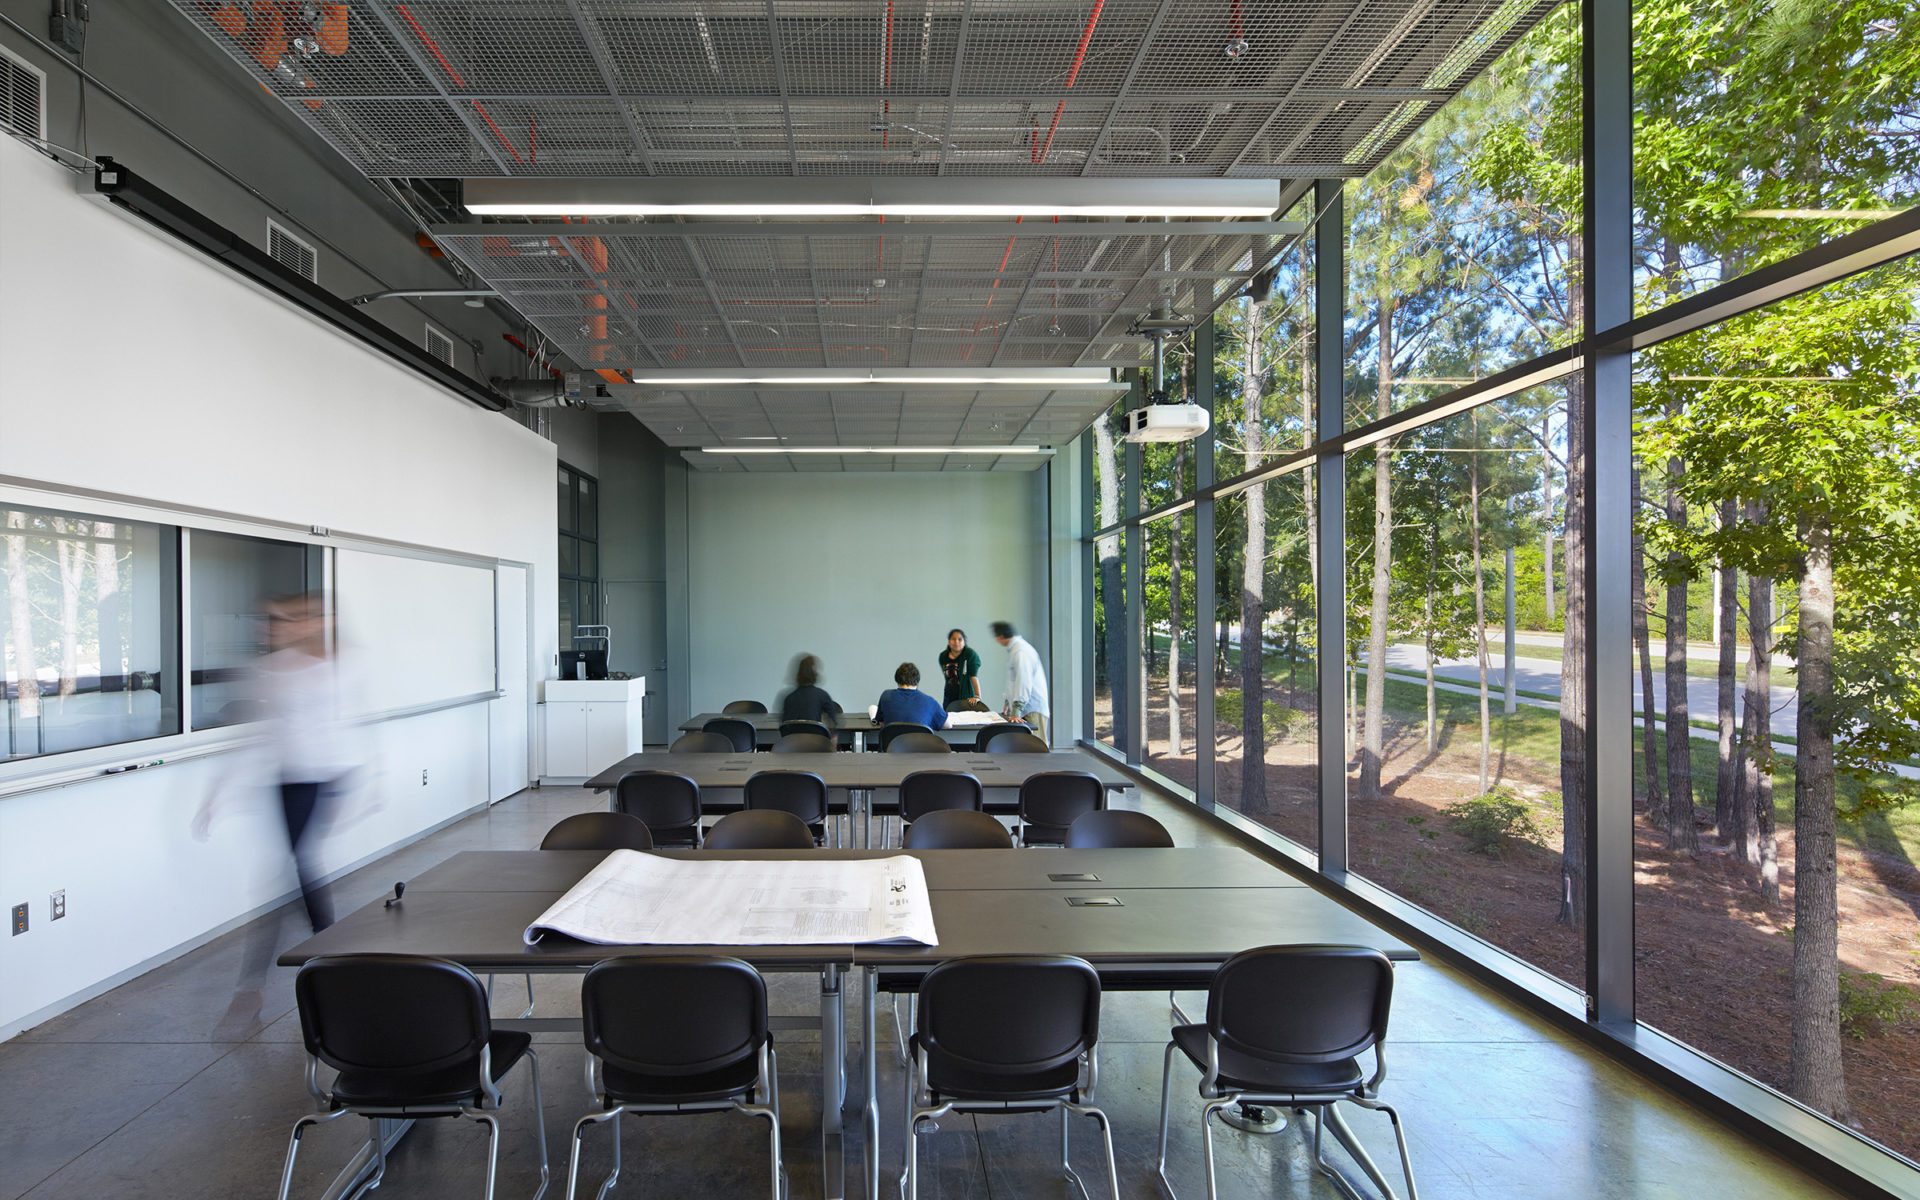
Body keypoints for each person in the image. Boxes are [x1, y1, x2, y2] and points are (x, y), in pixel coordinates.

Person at [993, 621, 1050, 744]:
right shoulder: (1015, 650)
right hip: (1025, 708)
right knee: (1024, 749)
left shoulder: (1021, 651)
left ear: (1001, 637)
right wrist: (1008, 701)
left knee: (1035, 748)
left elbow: (1024, 681)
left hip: (1031, 708)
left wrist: (1017, 709)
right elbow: (1014, 681)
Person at [874, 661, 948, 729]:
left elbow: (880, 721)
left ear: (897, 679)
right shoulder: (930, 702)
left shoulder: (886, 696)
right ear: (917, 681)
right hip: (920, 743)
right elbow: (948, 725)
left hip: (891, 743)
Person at [778, 653, 842, 723]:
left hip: (793, 734)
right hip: (816, 733)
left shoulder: (789, 698)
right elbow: (834, 721)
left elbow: (783, 723)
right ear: (815, 674)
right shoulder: (822, 695)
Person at [937, 628, 983, 709]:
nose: (956, 642)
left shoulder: (970, 654)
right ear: (949, 641)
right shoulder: (943, 656)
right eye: (953, 639)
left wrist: (977, 696)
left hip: (966, 697)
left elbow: (973, 676)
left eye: (960, 639)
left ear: (964, 641)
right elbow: (947, 678)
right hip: (949, 696)